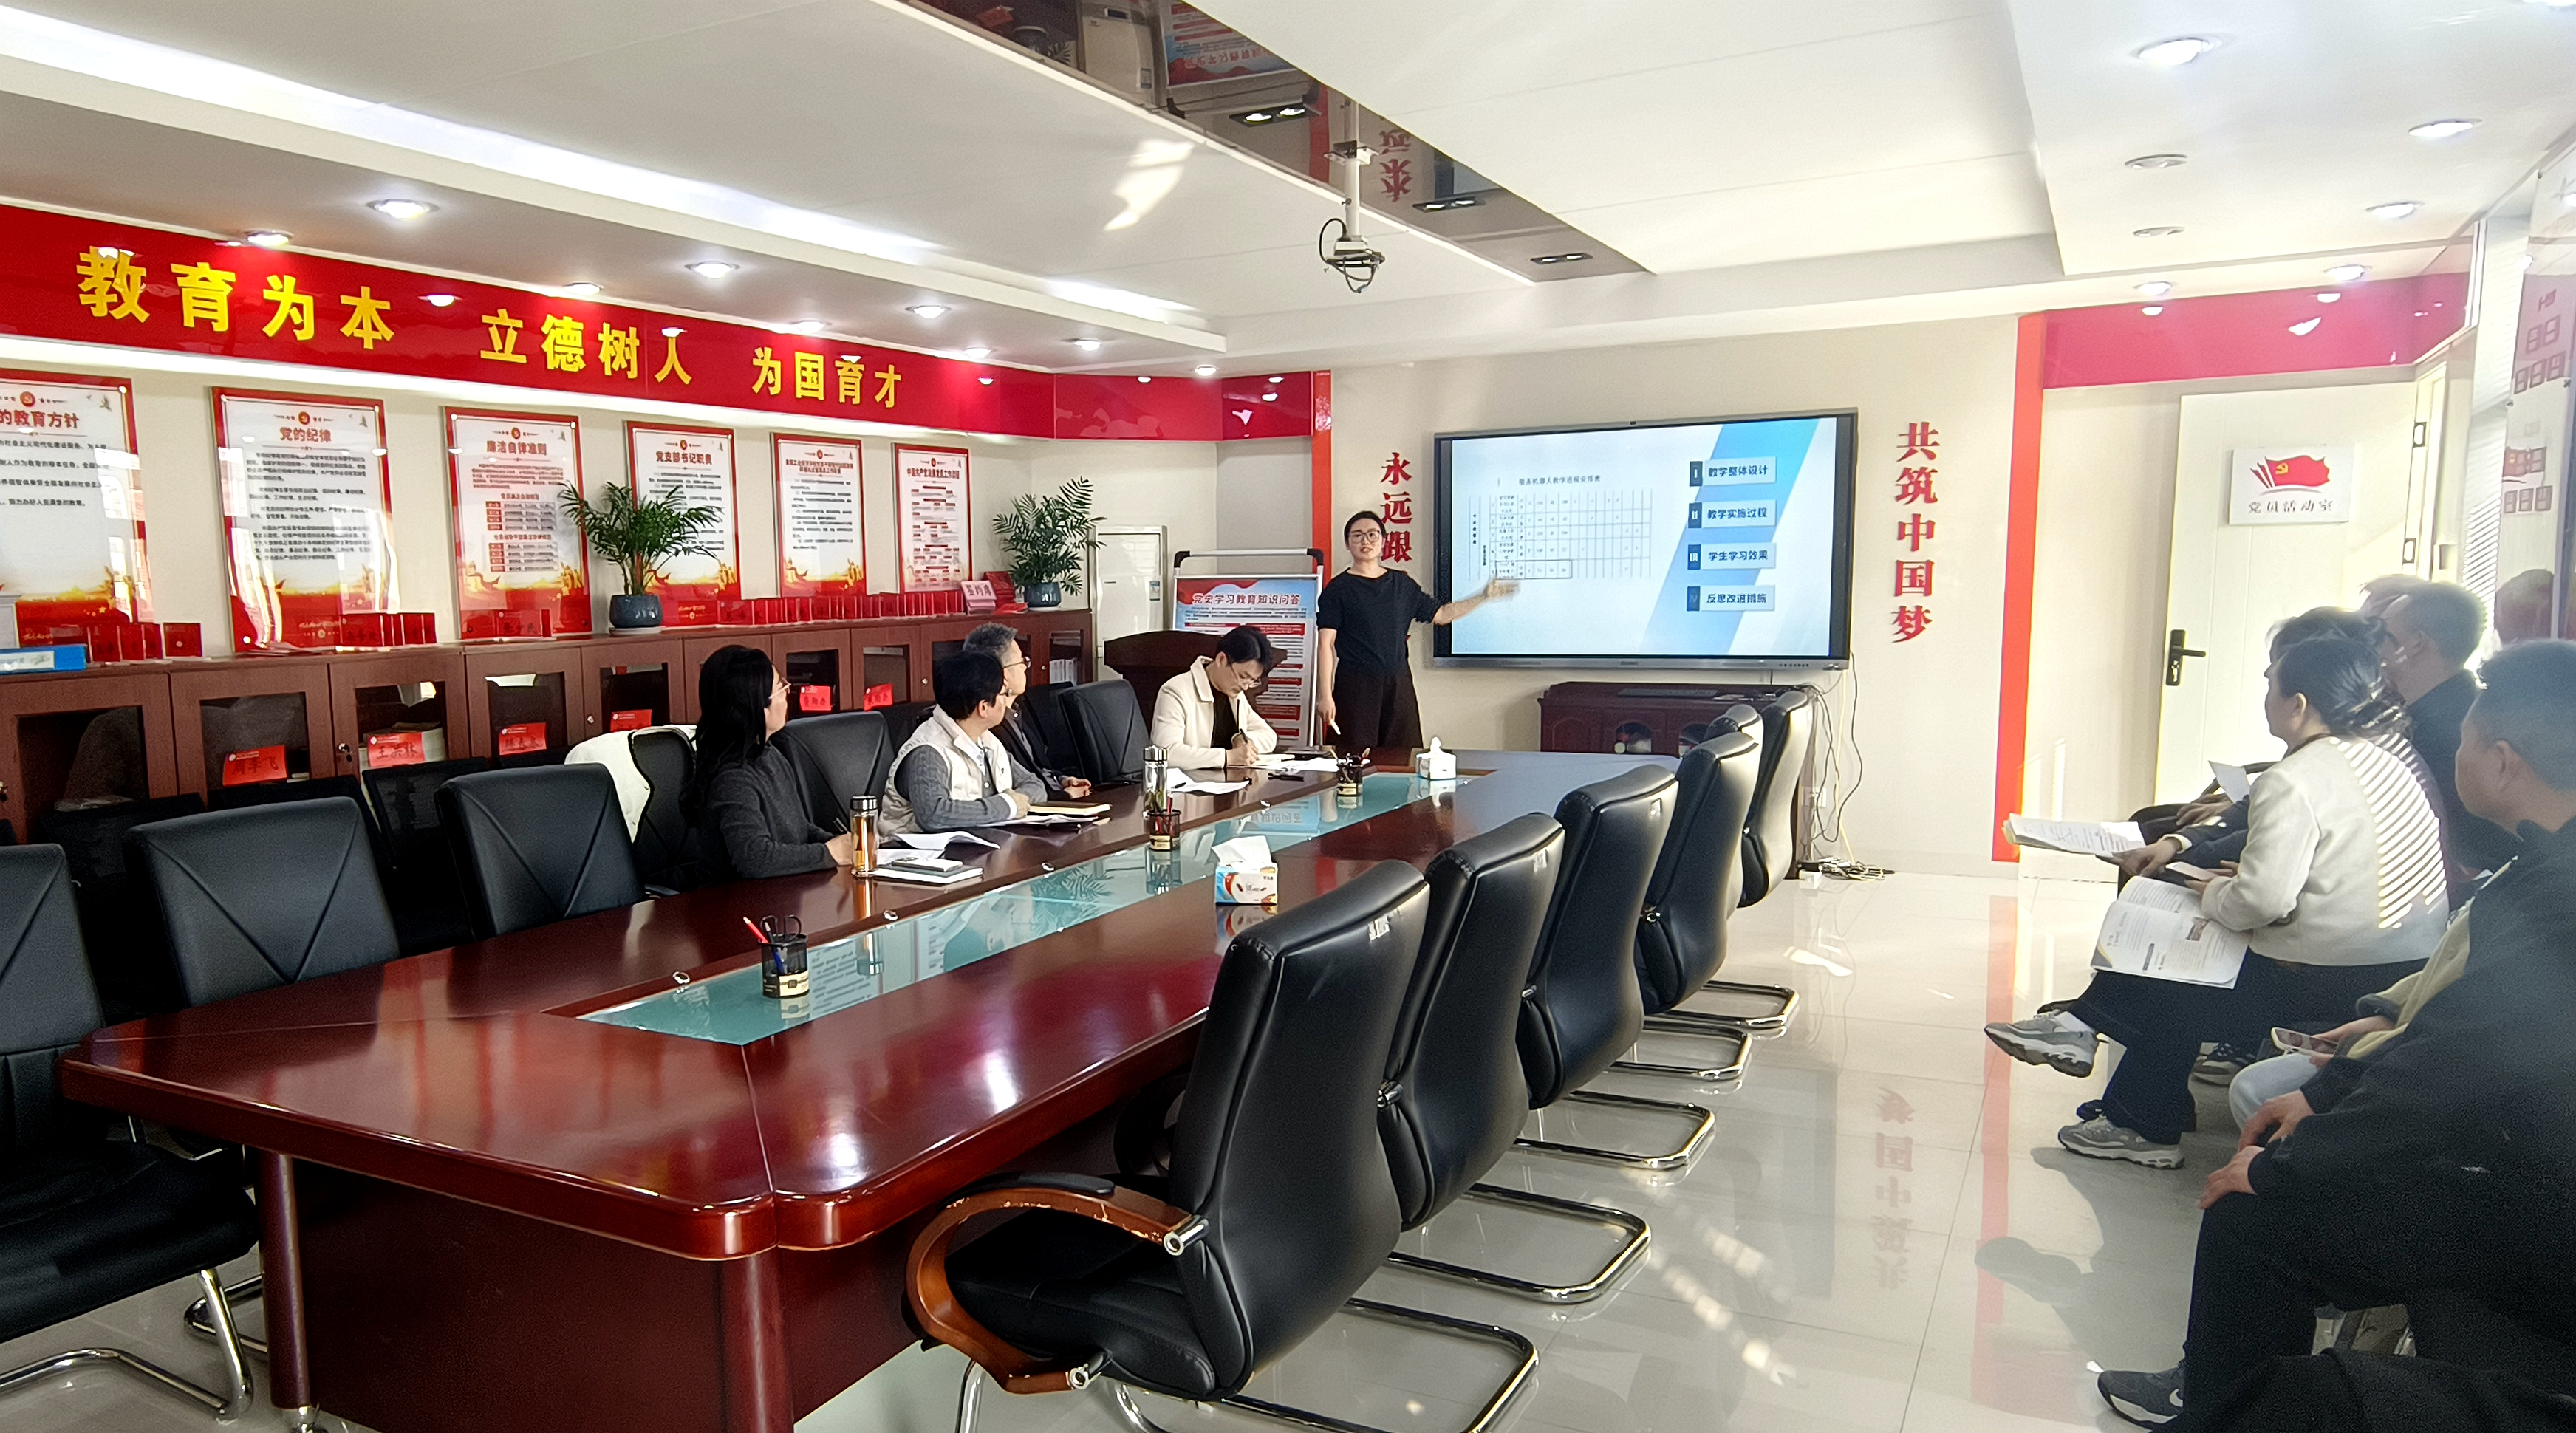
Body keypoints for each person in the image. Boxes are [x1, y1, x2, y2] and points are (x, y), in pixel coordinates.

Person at [2094, 640, 2576, 1429]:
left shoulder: (2559, 897)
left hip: (2537, 1205)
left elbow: (2454, 1065)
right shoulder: (2543, 863)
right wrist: (2324, 1095)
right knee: (2263, 1189)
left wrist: (2293, 1162)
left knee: (2253, 1213)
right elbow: (2461, 1018)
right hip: (2513, 1159)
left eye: (2463, 739)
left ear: (2501, 762)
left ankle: (2215, 1405)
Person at [1986, 636, 2449, 1169]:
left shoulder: (2293, 778)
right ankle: (2093, 1052)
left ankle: (2132, 1112)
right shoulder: (2382, 760)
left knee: (2174, 975)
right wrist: (2236, 887)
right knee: (2180, 953)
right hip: (2399, 966)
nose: (2266, 696)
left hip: (2331, 973)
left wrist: (2216, 891)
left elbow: (2260, 902)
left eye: (2271, 685)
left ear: (2298, 704)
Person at [1316, 510, 1516, 751]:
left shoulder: (1402, 585)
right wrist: (1325, 695)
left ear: (1384, 541)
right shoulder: (1338, 589)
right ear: (1348, 543)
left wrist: (1483, 597)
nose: (1365, 541)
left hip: (1398, 684)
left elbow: (1442, 615)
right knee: (1353, 757)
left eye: (1372, 534)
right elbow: (1325, 644)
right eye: (1357, 535)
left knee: (1403, 756)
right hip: (1356, 686)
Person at [2378, 582, 2520, 888]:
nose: (2376, 652)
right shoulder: (2471, 711)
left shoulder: (2452, 736)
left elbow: (2472, 853)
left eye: (2385, 638)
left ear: (2416, 644)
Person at [686, 644, 855, 880]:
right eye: (780, 687)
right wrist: (828, 853)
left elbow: (799, 830)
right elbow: (754, 859)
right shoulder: (733, 778)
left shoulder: (769, 754)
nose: (788, 691)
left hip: (784, 891)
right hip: (737, 900)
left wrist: (841, 844)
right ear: (757, 706)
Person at [881, 649, 1047, 835]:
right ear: (984, 707)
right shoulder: (928, 751)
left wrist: (1017, 802)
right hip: (917, 850)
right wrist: (1007, 806)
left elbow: (1036, 786)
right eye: (1003, 694)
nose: (1006, 701)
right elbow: (934, 815)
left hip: (980, 846)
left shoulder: (988, 742)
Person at [960, 622, 1090, 801]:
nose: (1025, 667)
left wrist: (1061, 780)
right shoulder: (989, 727)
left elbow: (1037, 768)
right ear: (1003, 674)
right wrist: (1064, 796)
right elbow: (1015, 790)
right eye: (1021, 661)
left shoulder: (1018, 710)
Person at [1149, 624, 1278, 770]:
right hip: (1189, 782)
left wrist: (1241, 740)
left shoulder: (1236, 695)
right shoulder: (1176, 691)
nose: (1246, 687)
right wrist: (1227, 757)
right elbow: (1166, 753)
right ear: (1221, 660)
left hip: (1231, 780)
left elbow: (1269, 736)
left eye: (1253, 681)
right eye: (1243, 676)